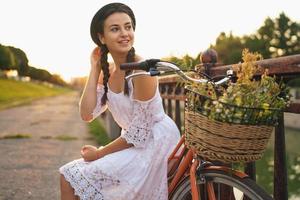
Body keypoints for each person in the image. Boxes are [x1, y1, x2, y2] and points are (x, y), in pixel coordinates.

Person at [59, 2, 180, 200]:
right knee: (69, 176)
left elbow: (139, 134)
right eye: (115, 29)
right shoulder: (109, 73)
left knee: (70, 176)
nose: (125, 33)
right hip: (134, 144)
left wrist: (100, 154)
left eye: (128, 26)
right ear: (102, 37)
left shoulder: (141, 70)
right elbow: (86, 113)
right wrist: (95, 68)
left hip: (156, 143)